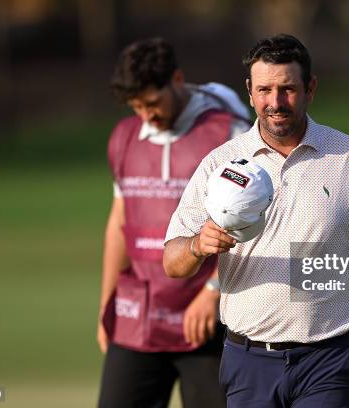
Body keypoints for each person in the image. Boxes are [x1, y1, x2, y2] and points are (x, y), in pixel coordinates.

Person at [163, 34, 349, 408]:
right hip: (248, 360)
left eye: (288, 89)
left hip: (329, 359)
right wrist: (197, 246)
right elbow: (172, 261)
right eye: (265, 89)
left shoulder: (348, 156)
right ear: (249, 92)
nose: (276, 102)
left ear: (310, 88)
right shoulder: (220, 164)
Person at [96, 37, 250, 408]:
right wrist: (107, 304)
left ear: (177, 79)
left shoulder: (226, 132)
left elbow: (254, 223)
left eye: (152, 102)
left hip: (207, 324)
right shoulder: (124, 139)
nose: (146, 114)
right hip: (139, 319)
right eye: (136, 106)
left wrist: (213, 291)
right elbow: (119, 222)